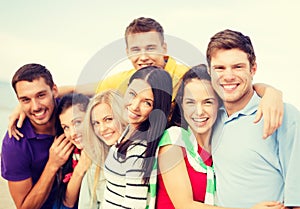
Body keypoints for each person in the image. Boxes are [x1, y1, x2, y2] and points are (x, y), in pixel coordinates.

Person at [8, 17, 283, 140]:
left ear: (164, 48)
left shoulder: (185, 75)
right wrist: (27, 104)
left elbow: (228, 85)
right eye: (135, 49)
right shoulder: (126, 78)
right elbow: (80, 89)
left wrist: (270, 93)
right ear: (127, 52)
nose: (143, 56)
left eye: (151, 47)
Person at [156, 65, 283, 209]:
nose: (199, 112)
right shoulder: (174, 139)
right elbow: (185, 205)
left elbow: (247, 89)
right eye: (190, 102)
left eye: (208, 102)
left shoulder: (219, 143)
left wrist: (272, 93)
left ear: (219, 104)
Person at [206, 29, 300, 208]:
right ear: (209, 72)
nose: (228, 76)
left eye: (238, 67)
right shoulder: (209, 118)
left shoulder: (284, 115)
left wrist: (272, 93)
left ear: (253, 69)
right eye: (219, 68)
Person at [1, 63, 73, 209]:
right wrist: (52, 165)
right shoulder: (14, 144)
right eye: (25, 100)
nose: (36, 107)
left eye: (41, 95)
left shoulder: (70, 111)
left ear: (54, 90)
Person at [102, 66, 172, 209]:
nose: (134, 106)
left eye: (147, 102)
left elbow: (134, 206)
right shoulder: (129, 130)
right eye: (132, 94)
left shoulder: (139, 149)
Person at [79, 90, 128, 209]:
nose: (102, 129)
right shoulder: (96, 166)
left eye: (108, 119)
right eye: (96, 123)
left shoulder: (144, 155)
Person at [53, 93, 91, 209]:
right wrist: (80, 167)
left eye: (77, 122)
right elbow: (68, 202)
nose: (72, 133)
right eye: (66, 127)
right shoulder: (72, 154)